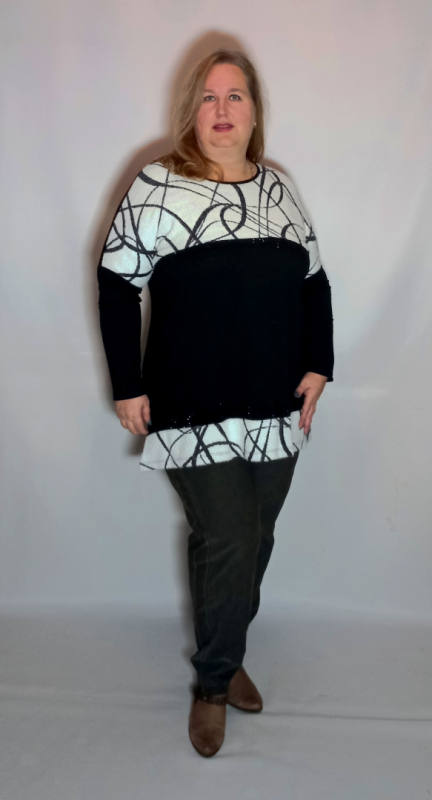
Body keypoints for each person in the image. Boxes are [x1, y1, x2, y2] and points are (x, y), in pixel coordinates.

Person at [97, 48, 334, 758]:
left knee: (254, 537)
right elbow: (116, 286)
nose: (223, 109)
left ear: (255, 111)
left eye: (236, 96)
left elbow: (314, 282)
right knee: (229, 535)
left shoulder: (279, 189)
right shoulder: (156, 186)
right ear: (190, 112)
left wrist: (319, 365)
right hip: (192, 406)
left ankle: (224, 653)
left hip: (275, 404)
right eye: (208, 96)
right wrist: (127, 383)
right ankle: (212, 685)